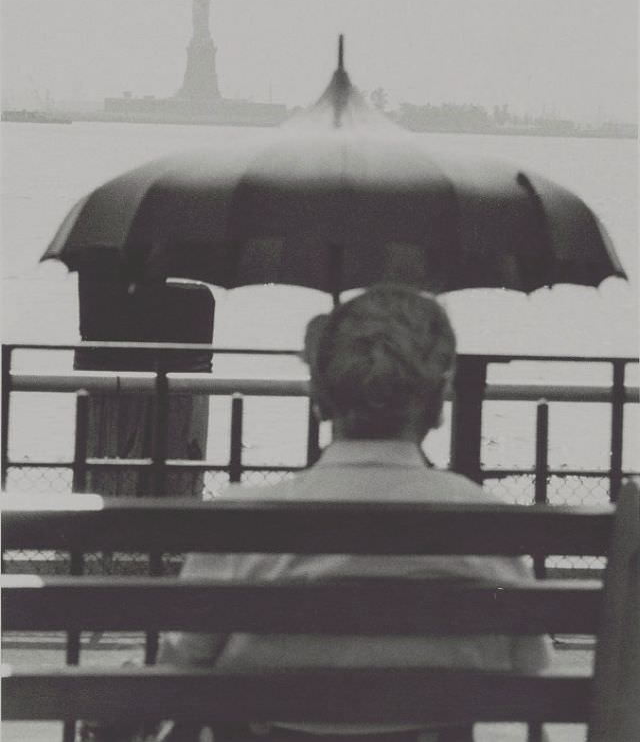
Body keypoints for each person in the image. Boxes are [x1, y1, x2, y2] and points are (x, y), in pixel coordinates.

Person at [82, 284, 551, 742]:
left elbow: (183, 668)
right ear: (438, 400)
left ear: (319, 394)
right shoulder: (488, 524)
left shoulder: (241, 521)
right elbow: (530, 670)